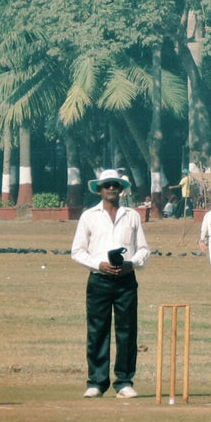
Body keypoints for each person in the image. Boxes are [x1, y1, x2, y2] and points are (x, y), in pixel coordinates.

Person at [70, 168, 150, 398]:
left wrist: (131, 263)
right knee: (97, 331)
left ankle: (124, 381)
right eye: (107, 185)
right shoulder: (89, 216)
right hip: (99, 280)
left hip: (125, 281)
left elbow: (143, 248)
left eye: (115, 185)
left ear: (121, 189)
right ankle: (96, 382)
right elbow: (77, 251)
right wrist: (98, 264)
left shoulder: (132, 215)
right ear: (99, 189)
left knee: (127, 331)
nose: (111, 188)